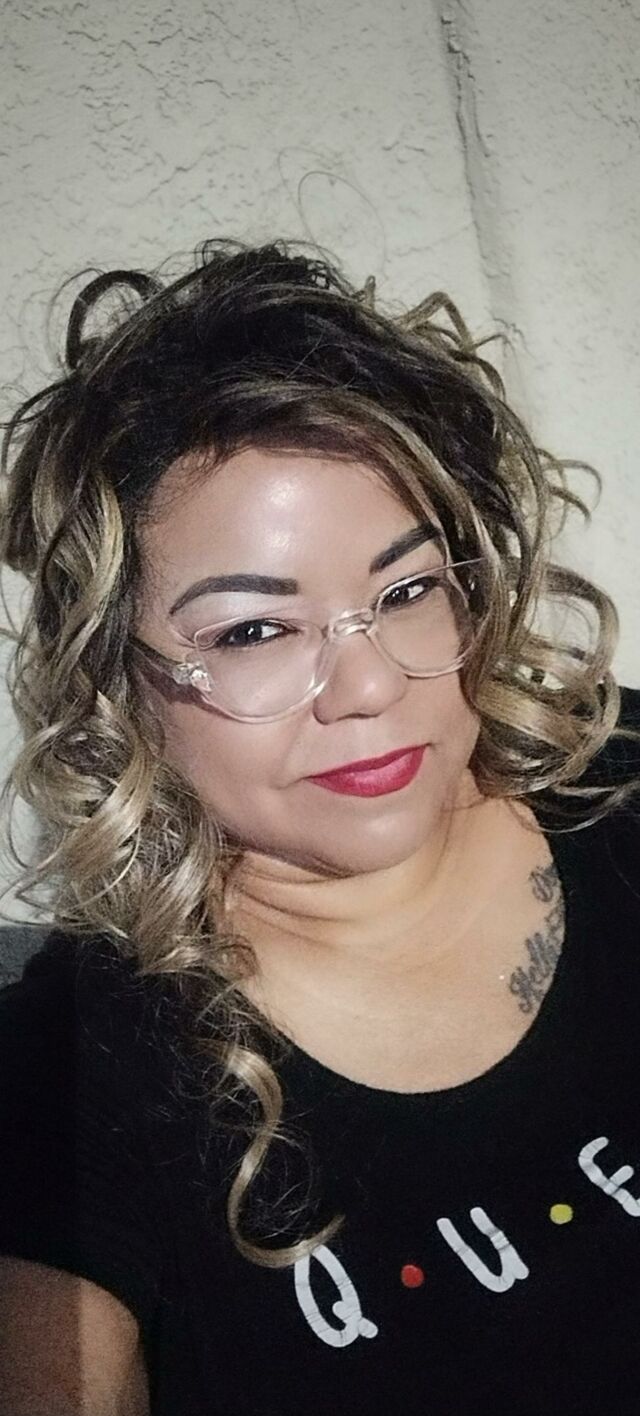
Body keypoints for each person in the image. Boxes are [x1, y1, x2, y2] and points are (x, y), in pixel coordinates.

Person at [0, 239, 638, 1416]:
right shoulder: (84, 1068)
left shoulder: (620, 785)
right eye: (252, 631)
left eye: (405, 590)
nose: (369, 686)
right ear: (116, 680)